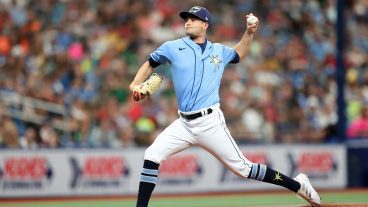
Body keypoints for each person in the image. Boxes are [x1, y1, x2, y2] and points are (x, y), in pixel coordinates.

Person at [129, 6, 321, 207]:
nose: (187, 22)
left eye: (193, 19)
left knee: (244, 169)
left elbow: (239, 53)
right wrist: (135, 84)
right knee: (151, 155)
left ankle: (298, 185)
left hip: (209, 122)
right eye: (186, 18)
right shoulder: (172, 47)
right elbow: (150, 63)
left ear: (205, 24)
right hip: (183, 123)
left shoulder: (218, 51)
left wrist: (249, 32)